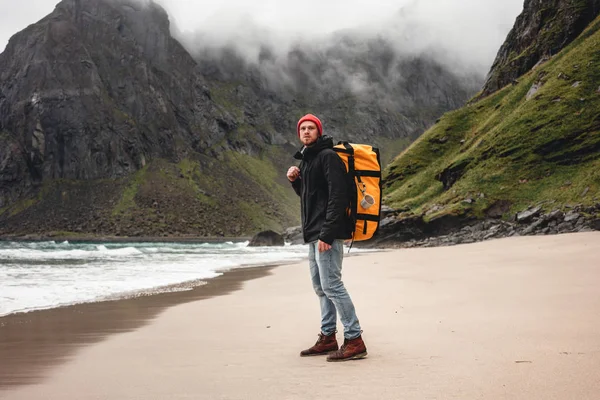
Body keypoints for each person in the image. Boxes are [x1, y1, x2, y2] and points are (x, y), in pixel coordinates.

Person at [287, 113, 367, 362]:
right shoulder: (308, 160)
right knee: (321, 288)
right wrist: (295, 181)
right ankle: (328, 337)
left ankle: (354, 339)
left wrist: (328, 233)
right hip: (313, 234)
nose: (307, 131)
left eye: (311, 128)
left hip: (325, 234)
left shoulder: (328, 157)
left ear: (319, 132)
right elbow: (311, 198)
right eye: (303, 128)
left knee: (332, 285)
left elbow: (338, 196)